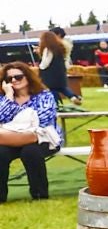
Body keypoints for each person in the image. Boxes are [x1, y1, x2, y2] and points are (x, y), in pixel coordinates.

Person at [0, 63, 64, 202]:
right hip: (13, 139)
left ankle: (40, 195)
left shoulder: (44, 96)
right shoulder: (3, 98)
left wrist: (11, 128)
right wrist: (9, 96)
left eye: (18, 77)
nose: (14, 80)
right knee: (1, 153)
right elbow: (1, 117)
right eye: (9, 78)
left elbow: (43, 121)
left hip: (43, 137)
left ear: (28, 77)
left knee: (30, 152)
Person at [37, 29, 80, 108]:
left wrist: (40, 67)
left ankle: (55, 104)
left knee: (51, 89)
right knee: (63, 87)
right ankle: (73, 97)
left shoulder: (48, 49)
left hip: (50, 73)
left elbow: (46, 62)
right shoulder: (61, 48)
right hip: (61, 71)